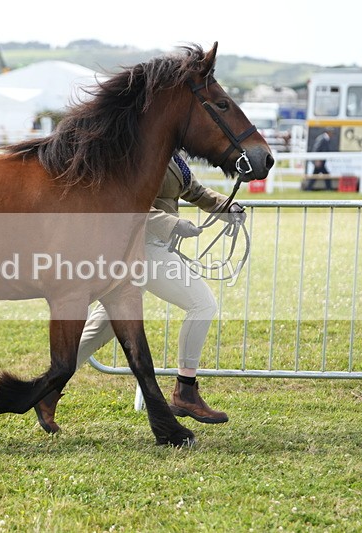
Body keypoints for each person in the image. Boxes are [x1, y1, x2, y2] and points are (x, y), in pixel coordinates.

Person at [33, 153, 246, 434]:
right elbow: (126, 203)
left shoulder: (171, 153)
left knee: (105, 325)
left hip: (144, 247)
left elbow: (193, 190)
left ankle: (46, 390)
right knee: (202, 305)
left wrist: (225, 206)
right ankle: (186, 390)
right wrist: (171, 224)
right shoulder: (137, 152)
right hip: (143, 247)